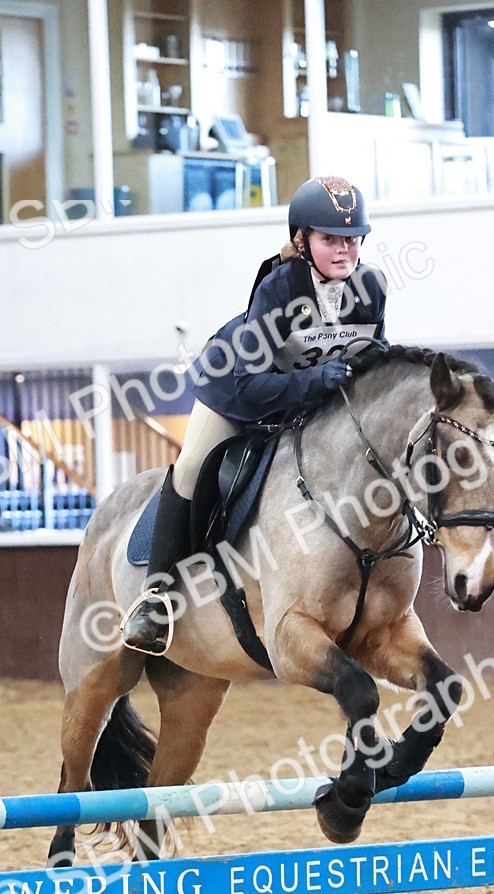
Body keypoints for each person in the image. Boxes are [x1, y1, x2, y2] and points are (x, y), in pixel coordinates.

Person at [122, 175, 388, 655]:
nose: (344, 250)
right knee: (190, 467)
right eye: (331, 239)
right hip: (238, 393)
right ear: (302, 241)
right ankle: (155, 599)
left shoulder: (369, 288)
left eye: (352, 239)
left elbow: (375, 356)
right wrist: (319, 380)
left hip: (308, 403)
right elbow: (252, 387)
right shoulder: (279, 289)